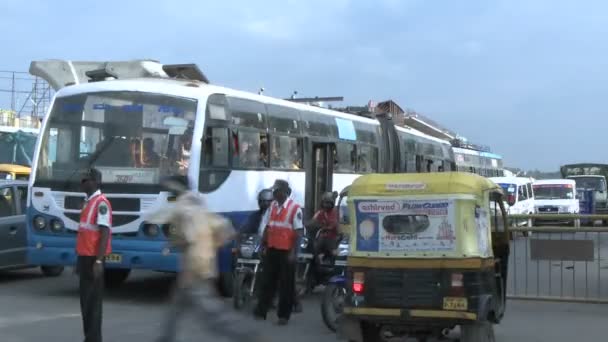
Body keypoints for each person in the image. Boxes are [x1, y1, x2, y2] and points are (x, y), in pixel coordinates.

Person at [146, 176, 264, 342]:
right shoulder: (197, 204)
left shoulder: (184, 208)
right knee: (176, 307)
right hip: (200, 264)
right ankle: (165, 338)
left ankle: (249, 336)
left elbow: (191, 237)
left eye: (169, 188)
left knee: (213, 316)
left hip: (194, 269)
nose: (168, 191)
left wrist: (190, 267)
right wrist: (212, 246)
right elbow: (223, 228)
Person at [254, 179, 304, 325]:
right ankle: (261, 311)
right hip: (272, 249)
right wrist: (263, 245)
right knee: (267, 281)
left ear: (283, 192)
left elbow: (298, 232)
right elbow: (268, 227)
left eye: (276, 191)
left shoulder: (295, 208)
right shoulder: (273, 207)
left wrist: (293, 252)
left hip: (286, 251)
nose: (274, 194)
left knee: (286, 285)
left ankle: (283, 315)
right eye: (274, 191)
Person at [76, 168, 112, 342]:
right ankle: (89, 338)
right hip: (84, 257)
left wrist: (98, 260)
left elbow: (105, 232)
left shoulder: (101, 203)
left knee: (93, 303)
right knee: (86, 302)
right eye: (83, 179)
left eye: (86, 180)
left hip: (93, 259)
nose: (82, 182)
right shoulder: (87, 202)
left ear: (95, 182)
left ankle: (93, 339)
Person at [311, 192, 339, 264]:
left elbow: (333, 225)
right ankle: (319, 261)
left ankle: (331, 263)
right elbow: (314, 221)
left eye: (329, 203)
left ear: (332, 204)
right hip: (323, 236)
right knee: (316, 246)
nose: (326, 205)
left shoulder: (335, 212)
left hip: (332, 237)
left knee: (333, 250)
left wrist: (325, 227)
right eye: (325, 203)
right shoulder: (320, 213)